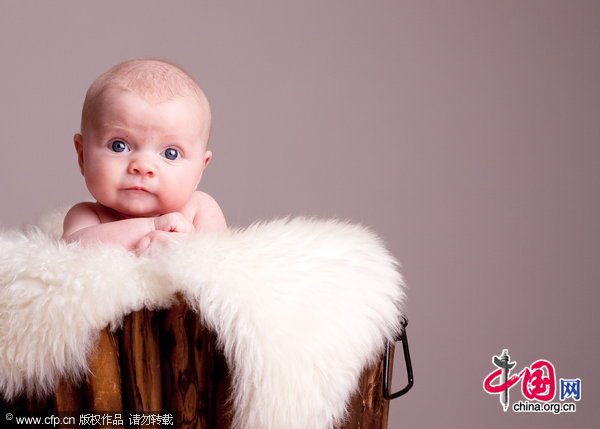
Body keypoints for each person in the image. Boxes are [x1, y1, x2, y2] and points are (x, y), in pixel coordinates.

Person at [62, 58, 226, 253]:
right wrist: (153, 227)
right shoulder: (88, 216)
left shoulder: (199, 209)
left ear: (200, 169)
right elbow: (71, 250)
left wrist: (184, 247)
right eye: (118, 146)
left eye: (171, 153)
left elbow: (218, 263)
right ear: (82, 156)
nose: (142, 166)